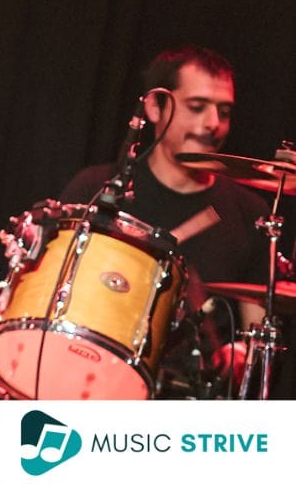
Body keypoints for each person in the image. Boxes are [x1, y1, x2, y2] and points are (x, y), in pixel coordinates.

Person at [59, 46, 274, 396]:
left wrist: (241, 356)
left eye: (224, 111)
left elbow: (258, 336)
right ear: (155, 107)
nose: (213, 123)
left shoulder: (250, 213)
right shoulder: (96, 189)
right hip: (82, 381)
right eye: (197, 107)